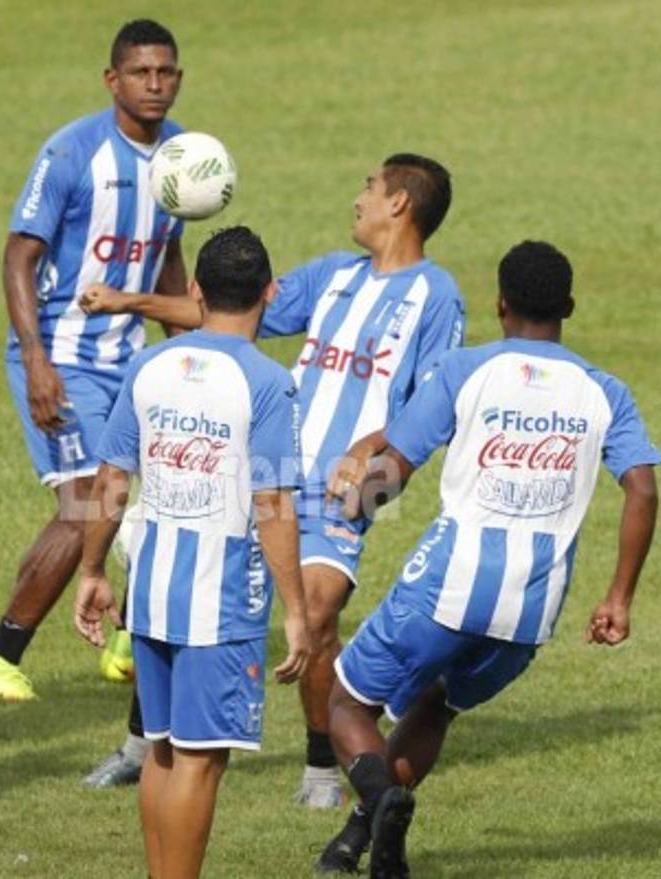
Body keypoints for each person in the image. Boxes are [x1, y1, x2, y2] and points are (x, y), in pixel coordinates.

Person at [80, 154, 465, 807]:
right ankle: (142, 746)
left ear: (399, 203)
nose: (358, 198)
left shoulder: (438, 296)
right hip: (263, 463)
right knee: (181, 587)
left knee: (314, 612)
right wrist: (130, 301)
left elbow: (437, 404)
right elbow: (227, 306)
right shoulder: (333, 276)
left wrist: (371, 451)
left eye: (368, 187)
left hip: (352, 487)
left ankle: (320, 768)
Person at [317, 240, 661, 877]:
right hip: (533, 607)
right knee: (435, 704)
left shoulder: (466, 368)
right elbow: (641, 487)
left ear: (499, 304)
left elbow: (397, 466)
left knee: (345, 701)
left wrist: (352, 507)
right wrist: (618, 597)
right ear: (568, 307)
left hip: (449, 584)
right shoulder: (605, 391)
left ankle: (380, 797)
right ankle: (356, 842)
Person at [0, 18, 189, 788]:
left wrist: (185, 339)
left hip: (134, 365)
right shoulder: (72, 152)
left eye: (167, 73)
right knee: (90, 501)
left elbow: (171, 257)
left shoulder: (184, 158)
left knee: (147, 504)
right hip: (61, 358)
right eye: (141, 72)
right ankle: (1, 656)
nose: (155, 84)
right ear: (112, 80)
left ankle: (124, 638)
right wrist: (33, 358)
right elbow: (18, 256)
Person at [73, 226, 310, 879]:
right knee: (201, 759)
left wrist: (92, 570)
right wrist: (296, 609)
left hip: (150, 589)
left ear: (197, 291)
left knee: (163, 750)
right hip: (221, 599)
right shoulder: (268, 383)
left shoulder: (150, 365)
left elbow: (110, 480)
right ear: (268, 292)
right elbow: (273, 503)